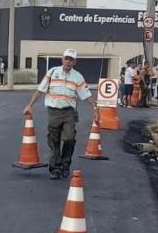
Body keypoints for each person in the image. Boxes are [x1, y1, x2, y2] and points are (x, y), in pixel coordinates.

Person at [23, 49, 100, 180]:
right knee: (54, 140)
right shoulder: (52, 72)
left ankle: (65, 164)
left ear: (75, 62)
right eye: (66, 58)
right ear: (62, 59)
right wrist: (30, 105)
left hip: (69, 112)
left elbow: (86, 94)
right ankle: (55, 168)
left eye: (71, 59)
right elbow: (40, 90)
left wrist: (95, 109)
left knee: (69, 138)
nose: (68, 61)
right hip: (53, 112)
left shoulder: (77, 77)